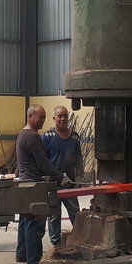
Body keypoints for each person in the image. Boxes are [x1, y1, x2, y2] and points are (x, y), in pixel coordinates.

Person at [15, 104, 73, 264]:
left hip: (25, 183)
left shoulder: (22, 134)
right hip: (35, 185)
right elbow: (43, 164)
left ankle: (22, 254)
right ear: (30, 117)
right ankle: (34, 261)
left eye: (44, 118)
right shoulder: (32, 137)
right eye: (40, 117)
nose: (43, 121)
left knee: (25, 221)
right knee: (35, 224)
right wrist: (60, 177)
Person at [42, 106, 84, 247]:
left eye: (65, 116)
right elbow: (43, 160)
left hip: (70, 183)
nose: (63, 119)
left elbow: (79, 158)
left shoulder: (74, 137)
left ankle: (79, 239)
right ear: (54, 118)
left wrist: (80, 176)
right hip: (53, 183)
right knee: (54, 215)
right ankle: (56, 243)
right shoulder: (47, 137)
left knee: (75, 212)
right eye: (59, 116)